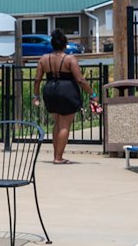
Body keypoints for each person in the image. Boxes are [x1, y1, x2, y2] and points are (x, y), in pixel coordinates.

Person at [32, 30, 95, 165]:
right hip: (67, 91)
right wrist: (92, 94)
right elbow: (80, 79)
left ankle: (56, 155)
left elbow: (37, 80)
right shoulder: (70, 59)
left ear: (52, 45)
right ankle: (58, 157)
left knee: (57, 123)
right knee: (65, 125)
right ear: (65, 45)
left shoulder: (43, 59)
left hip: (50, 90)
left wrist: (36, 96)